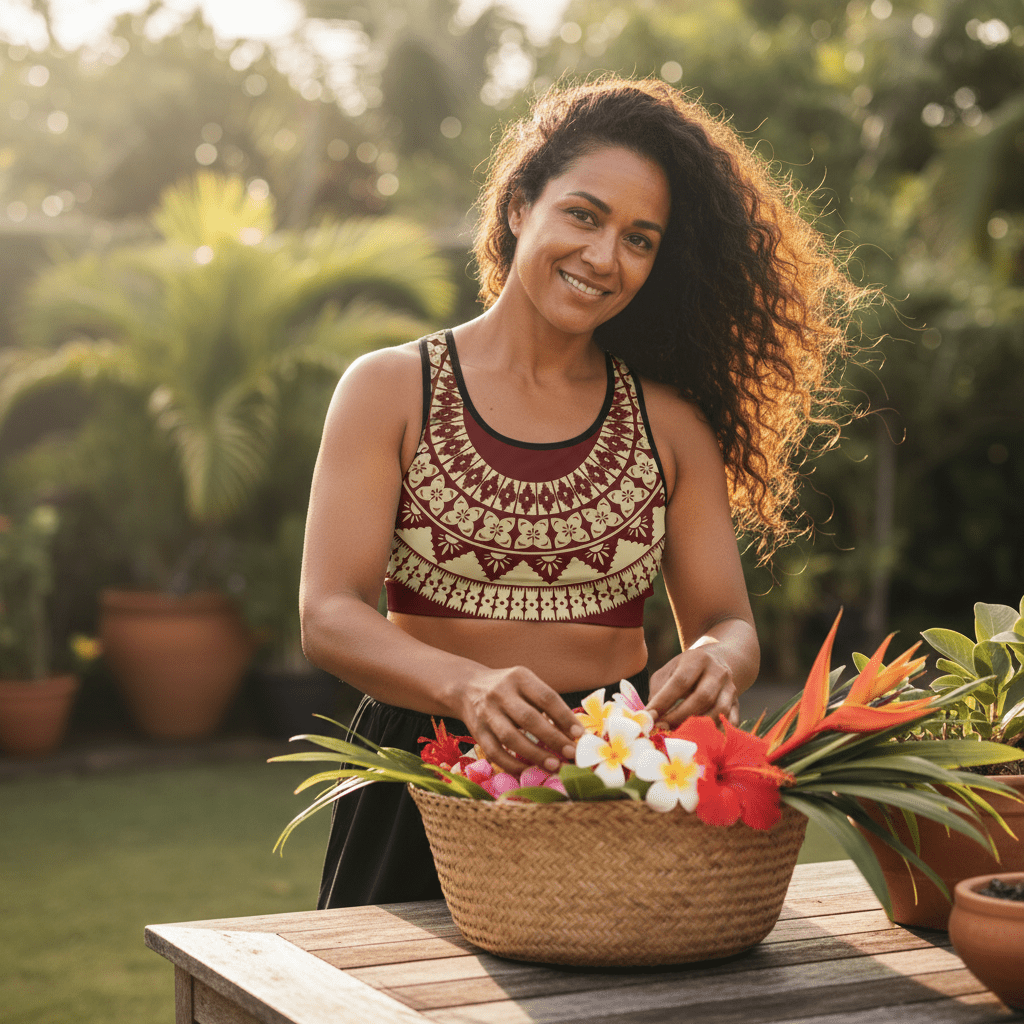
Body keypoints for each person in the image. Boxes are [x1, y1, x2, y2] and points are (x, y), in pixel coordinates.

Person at [300, 76, 864, 908]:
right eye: (584, 215)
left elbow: (726, 621)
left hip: (608, 771)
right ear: (520, 205)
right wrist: (466, 687)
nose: (605, 257)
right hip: (422, 777)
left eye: (640, 239)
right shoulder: (390, 389)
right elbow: (328, 615)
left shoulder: (671, 426)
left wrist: (715, 662)